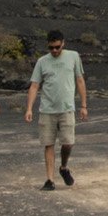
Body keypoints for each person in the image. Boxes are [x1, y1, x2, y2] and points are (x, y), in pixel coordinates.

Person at [23, 29, 87, 189]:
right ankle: (50, 180)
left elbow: (80, 80)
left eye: (57, 47)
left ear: (63, 44)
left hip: (67, 108)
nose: (54, 51)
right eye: (51, 48)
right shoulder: (42, 62)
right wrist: (29, 108)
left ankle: (63, 167)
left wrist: (84, 105)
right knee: (48, 143)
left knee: (68, 143)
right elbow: (35, 85)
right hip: (47, 110)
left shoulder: (73, 56)